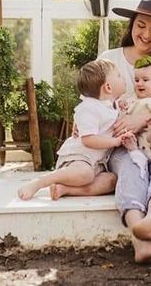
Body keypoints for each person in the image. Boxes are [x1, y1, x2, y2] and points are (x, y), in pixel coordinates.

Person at [52, 0, 151, 263]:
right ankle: (138, 228)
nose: (146, 34)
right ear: (132, 24)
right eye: (141, 25)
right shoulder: (110, 58)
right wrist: (81, 124)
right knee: (130, 172)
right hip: (124, 146)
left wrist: (141, 119)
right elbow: (91, 98)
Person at [16, 59, 133, 201]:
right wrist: (115, 141)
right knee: (86, 174)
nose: (123, 77)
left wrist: (121, 104)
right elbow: (88, 140)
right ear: (108, 87)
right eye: (119, 76)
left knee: (111, 181)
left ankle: (65, 189)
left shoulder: (111, 104)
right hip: (78, 158)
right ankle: (39, 182)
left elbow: (110, 112)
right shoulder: (89, 108)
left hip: (96, 163)